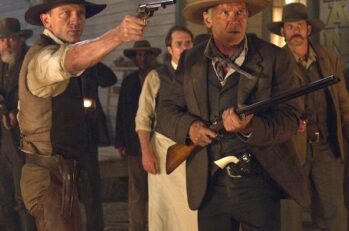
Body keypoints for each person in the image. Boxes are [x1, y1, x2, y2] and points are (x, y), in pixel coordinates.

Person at [155, 0, 310, 230]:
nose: (234, 19)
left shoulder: (273, 58)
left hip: (260, 181)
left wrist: (250, 129)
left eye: (240, 12)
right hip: (210, 184)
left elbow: (290, 118)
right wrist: (191, 129)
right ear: (207, 19)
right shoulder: (191, 60)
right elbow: (165, 111)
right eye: (225, 12)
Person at [17, 0, 146, 230]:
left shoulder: (59, 49)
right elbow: (69, 60)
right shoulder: (42, 57)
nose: (75, 20)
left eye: (80, 13)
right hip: (49, 178)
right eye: (66, 13)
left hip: (63, 173)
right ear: (46, 20)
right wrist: (118, 34)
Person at [267, 3, 349, 231]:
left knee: (334, 210)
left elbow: (342, 99)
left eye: (299, 26)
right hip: (291, 148)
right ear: (283, 31)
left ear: (308, 30)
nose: (295, 31)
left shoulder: (328, 57)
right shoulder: (274, 62)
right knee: (290, 213)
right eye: (290, 26)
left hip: (326, 144)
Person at [135, 25, 197, 231]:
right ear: (170, 49)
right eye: (179, 44)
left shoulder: (201, 74)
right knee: (166, 210)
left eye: (188, 43)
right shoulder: (157, 77)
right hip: (164, 150)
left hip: (194, 149)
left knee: (192, 211)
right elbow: (143, 118)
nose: (184, 48)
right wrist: (146, 152)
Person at [114, 40, 160, 231]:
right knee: (137, 189)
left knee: (158, 189)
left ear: (151, 56)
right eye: (139, 55)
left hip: (158, 141)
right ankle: (137, 226)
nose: (142, 58)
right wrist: (120, 141)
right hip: (134, 143)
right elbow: (122, 112)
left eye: (145, 54)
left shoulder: (161, 77)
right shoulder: (129, 81)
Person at [0, 17, 36, 231]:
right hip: (1, 138)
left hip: (22, 138)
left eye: (11, 39)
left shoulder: (29, 61)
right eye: (2, 40)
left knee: (23, 197)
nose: (7, 44)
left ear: (20, 40)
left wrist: (16, 110)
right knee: (4, 199)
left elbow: (35, 94)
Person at [80, 62, 117, 231]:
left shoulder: (90, 66)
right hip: (64, 133)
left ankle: (94, 227)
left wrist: (93, 58)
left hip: (88, 131)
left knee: (91, 184)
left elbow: (109, 79)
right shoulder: (58, 63)